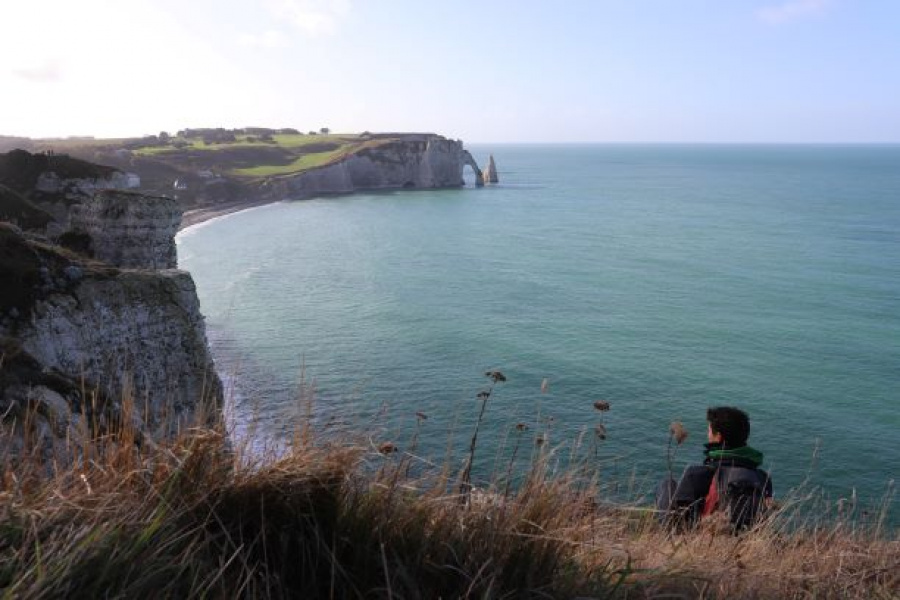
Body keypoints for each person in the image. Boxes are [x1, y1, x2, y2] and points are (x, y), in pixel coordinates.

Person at [656, 406, 773, 531]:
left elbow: (679, 519)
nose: (708, 435)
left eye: (709, 431)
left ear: (718, 436)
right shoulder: (763, 478)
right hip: (747, 540)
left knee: (667, 484)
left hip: (703, 540)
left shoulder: (697, 474)